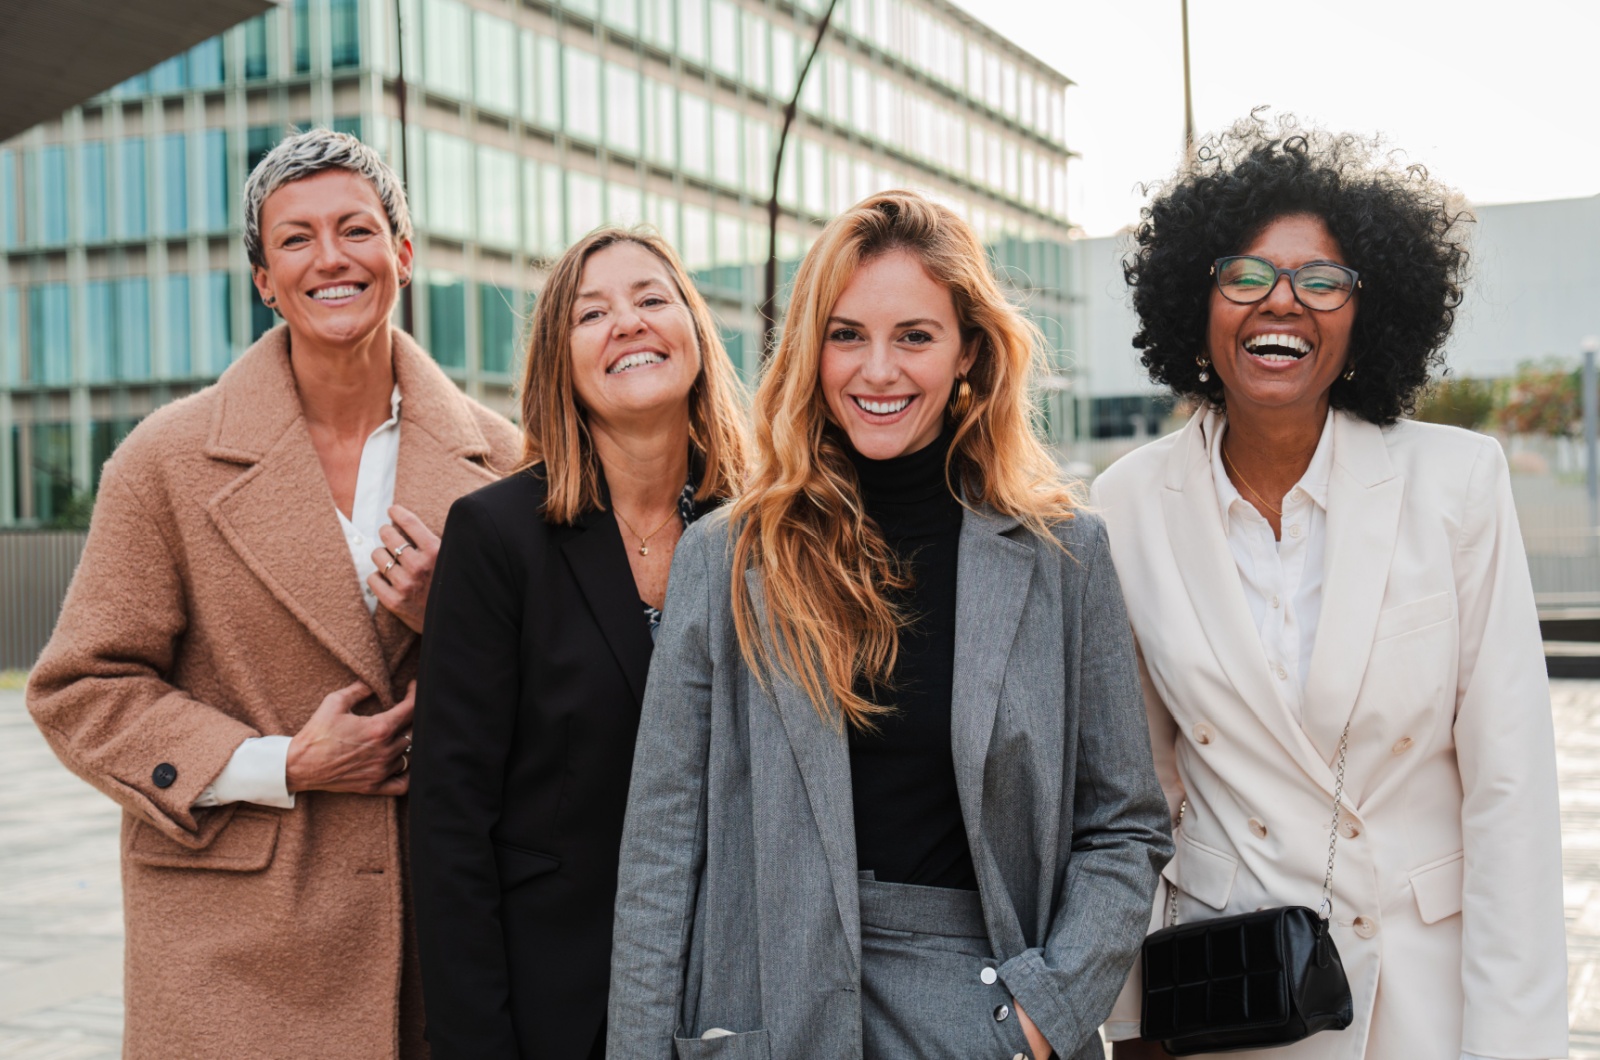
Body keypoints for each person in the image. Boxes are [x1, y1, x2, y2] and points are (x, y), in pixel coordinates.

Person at [606, 191, 1171, 1060]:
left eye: (914, 335)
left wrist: (1042, 1018)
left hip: (980, 1017)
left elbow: (1124, 824)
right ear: (809, 350)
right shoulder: (726, 556)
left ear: (969, 352)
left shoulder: (1065, 557)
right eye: (846, 335)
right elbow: (661, 846)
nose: (878, 371)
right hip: (770, 1009)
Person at [25, 128, 521, 1059]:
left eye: (356, 230)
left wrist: (448, 619)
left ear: (403, 255)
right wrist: (282, 763)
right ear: (263, 280)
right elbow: (81, 690)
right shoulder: (164, 460)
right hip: (230, 951)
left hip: (440, 937)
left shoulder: (507, 464)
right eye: (295, 239)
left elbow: (572, 699)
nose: (330, 258)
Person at [1095, 117, 1567, 1059]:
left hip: (1422, 993)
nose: (1283, 303)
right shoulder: (1127, 503)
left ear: (1367, 316)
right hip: (1234, 993)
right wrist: (1135, 1022)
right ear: (1199, 302)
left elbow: (1510, 793)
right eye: (1245, 276)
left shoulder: (1458, 483)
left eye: (1322, 281)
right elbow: (1136, 794)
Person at [408, 226, 749, 1059]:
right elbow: (450, 825)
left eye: (652, 299)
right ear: (560, 364)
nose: (628, 323)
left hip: (738, 997)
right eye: (592, 313)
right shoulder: (494, 537)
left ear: (696, 334)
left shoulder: (766, 531)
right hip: (554, 1006)